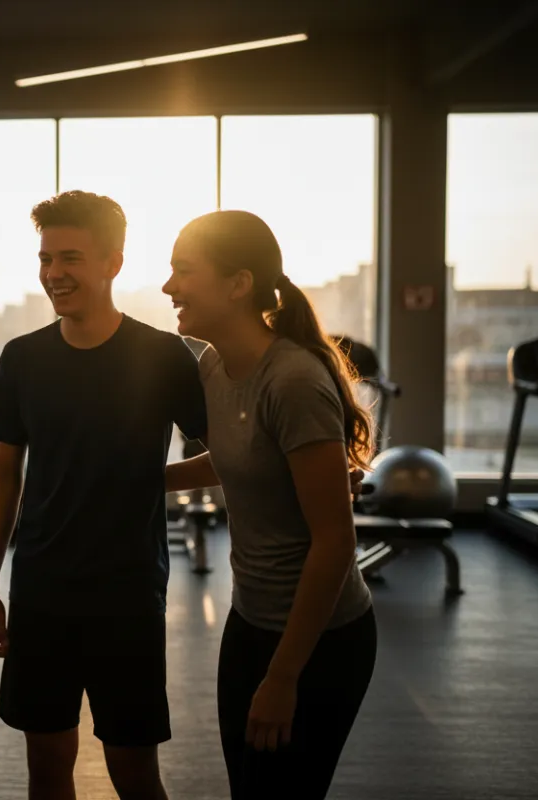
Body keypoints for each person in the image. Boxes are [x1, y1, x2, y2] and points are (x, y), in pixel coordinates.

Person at [0, 190, 207, 800]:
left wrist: (154, 480)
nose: (54, 273)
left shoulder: (163, 356)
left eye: (70, 258)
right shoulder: (21, 358)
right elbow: (4, 476)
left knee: (134, 772)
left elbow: (233, 453)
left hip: (126, 595)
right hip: (41, 591)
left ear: (113, 263)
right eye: (46, 259)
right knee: (47, 766)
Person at [162, 209, 378, 800]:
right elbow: (242, 460)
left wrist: (284, 676)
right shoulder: (213, 364)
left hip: (320, 641)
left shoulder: (293, 381)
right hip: (250, 620)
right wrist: (146, 481)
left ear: (239, 283)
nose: (168, 287)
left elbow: (335, 542)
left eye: (184, 271)